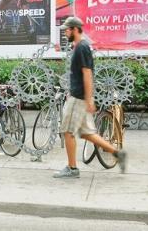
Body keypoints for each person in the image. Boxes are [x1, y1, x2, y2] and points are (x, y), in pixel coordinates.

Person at [53, 16, 127, 179]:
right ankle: (117, 153)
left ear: (75, 29)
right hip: (78, 96)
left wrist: (89, 99)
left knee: (67, 131)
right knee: (87, 134)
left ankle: (72, 168)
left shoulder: (82, 47)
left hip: (79, 99)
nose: (65, 32)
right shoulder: (79, 46)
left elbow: (87, 74)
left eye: (67, 29)